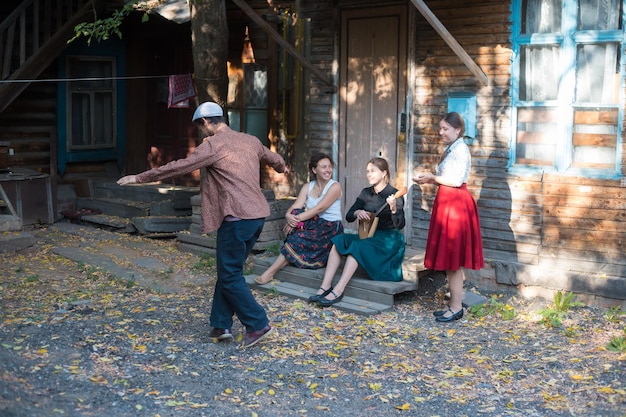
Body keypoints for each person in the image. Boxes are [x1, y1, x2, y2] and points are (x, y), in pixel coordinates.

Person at [117, 101, 286, 347]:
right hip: (257, 216)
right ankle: (220, 325)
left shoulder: (213, 145)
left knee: (229, 275)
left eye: (200, 126)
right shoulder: (250, 140)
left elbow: (180, 166)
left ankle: (258, 324)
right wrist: (282, 167)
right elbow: (276, 159)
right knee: (230, 272)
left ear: (206, 122)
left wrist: (140, 177)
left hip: (237, 218)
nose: (201, 131)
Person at [412, 112, 484, 323]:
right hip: (448, 202)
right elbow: (447, 179)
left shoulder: (460, 150)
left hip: (455, 205)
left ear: (458, 130)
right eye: (441, 128)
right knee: (450, 259)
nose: (441, 132)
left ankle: (456, 307)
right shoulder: (452, 148)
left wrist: (433, 178)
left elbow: (454, 180)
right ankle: (454, 305)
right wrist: (432, 180)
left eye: (445, 129)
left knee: (453, 259)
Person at [309, 157, 406, 307]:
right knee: (339, 240)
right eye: (367, 171)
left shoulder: (394, 194)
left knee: (358, 247)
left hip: (389, 238)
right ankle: (325, 286)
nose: (369, 174)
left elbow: (400, 225)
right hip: (368, 234)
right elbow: (349, 215)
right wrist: (358, 212)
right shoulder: (366, 193)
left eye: (372, 171)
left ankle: (339, 290)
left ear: (384, 172)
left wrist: (393, 208)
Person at [254, 153, 343, 285]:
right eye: (324, 167)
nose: (328, 170)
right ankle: (286, 258)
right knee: (296, 214)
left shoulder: (335, 186)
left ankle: (270, 273)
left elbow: (319, 209)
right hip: (314, 223)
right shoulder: (308, 186)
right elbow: (295, 206)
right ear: (314, 170)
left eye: (330, 167)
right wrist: (288, 216)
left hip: (329, 228)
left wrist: (295, 220)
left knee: (296, 236)